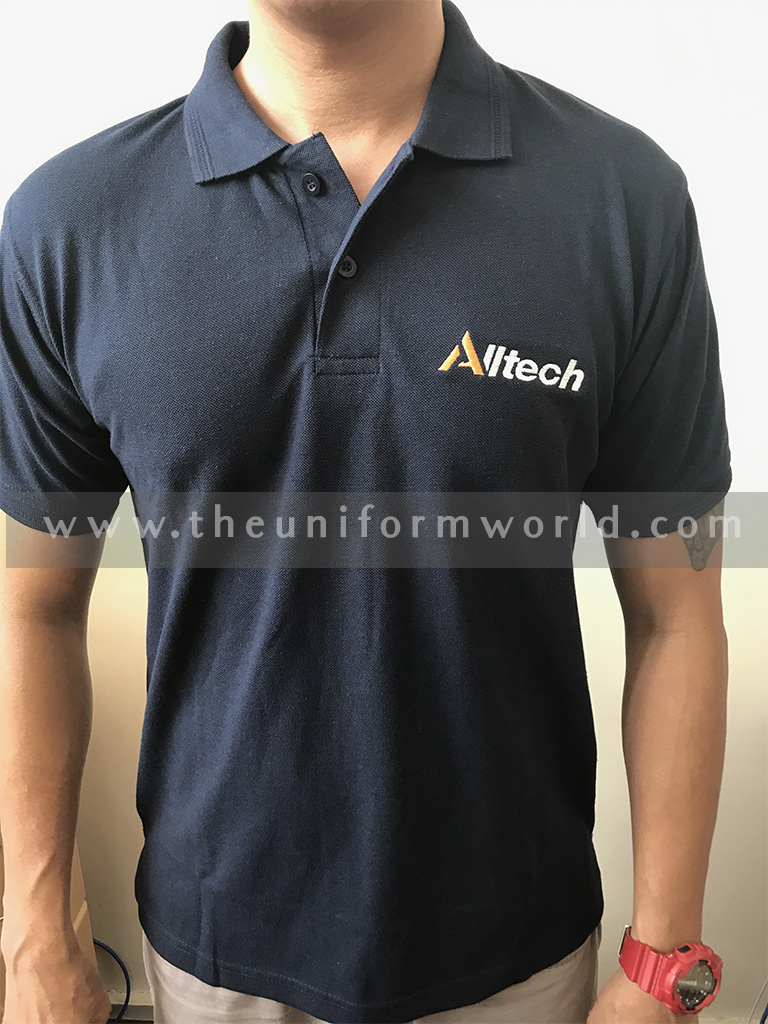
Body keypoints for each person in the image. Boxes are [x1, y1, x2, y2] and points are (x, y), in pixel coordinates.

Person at [0, 1, 731, 1022]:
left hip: (520, 958)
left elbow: (676, 613)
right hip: (213, 960)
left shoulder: (621, 200)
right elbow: (32, 608)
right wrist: (36, 934)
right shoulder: (70, 223)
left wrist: (665, 963)